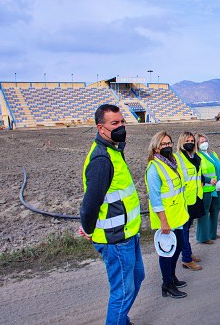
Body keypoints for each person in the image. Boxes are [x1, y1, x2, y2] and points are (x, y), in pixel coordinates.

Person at [79, 104, 144, 325]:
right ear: (101, 128)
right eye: (115, 123)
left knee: (137, 277)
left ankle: (121, 320)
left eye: (122, 122)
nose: (121, 127)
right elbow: (90, 203)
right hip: (115, 238)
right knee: (122, 292)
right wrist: (88, 229)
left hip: (128, 233)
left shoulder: (114, 151)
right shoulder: (101, 159)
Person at [145, 130, 189, 298]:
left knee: (178, 247)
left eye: (169, 143)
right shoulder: (154, 168)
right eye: (163, 144)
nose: (168, 146)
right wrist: (163, 222)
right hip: (166, 219)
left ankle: (172, 276)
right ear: (156, 148)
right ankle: (167, 284)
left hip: (177, 215)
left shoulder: (172, 162)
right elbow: (155, 199)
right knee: (167, 252)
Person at [174, 132, 205, 271]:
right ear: (181, 142)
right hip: (184, 200)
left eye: (192, 140)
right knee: (184, 231)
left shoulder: (195, 157)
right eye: (187, 140)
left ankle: (188, 253)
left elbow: (198, 176)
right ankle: (186, 259)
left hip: (195, 198)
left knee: (187, 230)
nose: (190, 142)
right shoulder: (178, 158)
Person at [196, 133, 220, 244]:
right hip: (206, 189)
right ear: (197, 144)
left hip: (216, 188)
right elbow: (197, 174)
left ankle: (212, 233)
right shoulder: (197, 156)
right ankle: (204, 237)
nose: (204, 143)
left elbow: (217, 167)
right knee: (204, 213)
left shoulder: (213, 154)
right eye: (201, 142)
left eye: (205, 141)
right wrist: (207, 180)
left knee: (215, 209)